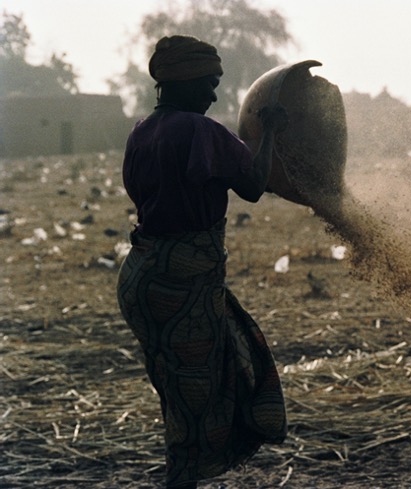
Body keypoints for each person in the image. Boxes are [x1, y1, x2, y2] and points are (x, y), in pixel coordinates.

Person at [116, 35, 288, 489]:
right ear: (186, 81)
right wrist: (269, 131)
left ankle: (185, 472)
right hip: (183, 283)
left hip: (144, 276)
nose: (214, 94)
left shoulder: (141, 131)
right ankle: (183, 478)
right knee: (200, 390)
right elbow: (253, 184)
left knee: (178, 388)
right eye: (210, 83)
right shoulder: (199, 130)